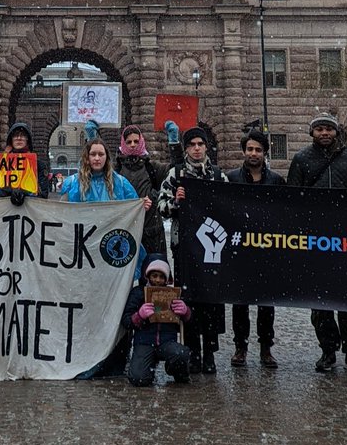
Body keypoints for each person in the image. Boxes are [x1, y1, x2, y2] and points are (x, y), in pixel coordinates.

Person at [286, 114, 347, 376]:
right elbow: (292, 200)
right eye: (320, 129)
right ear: (312, 133)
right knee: (320, 304)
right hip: (315, 242)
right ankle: (328, 351)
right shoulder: (301, 160)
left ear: (336, 132)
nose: (324, 133)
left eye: (329, 129)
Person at [60, 139, 144, 378]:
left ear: (107, 157)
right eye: (93, 154)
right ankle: (86, 355)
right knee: (89, 307)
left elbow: (133, 209)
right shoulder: (72, 184)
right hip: (86, 258)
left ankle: (114, 358)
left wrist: (142, 205)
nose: (97, 158)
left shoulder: (120, 183)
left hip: (111, 258)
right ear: (86, 157)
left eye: (101, 154)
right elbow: (60, 216)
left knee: (115, 308)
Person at [157, 126, 228, 374]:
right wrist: (176, 201)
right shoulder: (176, 174)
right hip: (185, 249)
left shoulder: (218, 176)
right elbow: (162, 206)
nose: (197, 148)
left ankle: (209, 352)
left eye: (201, 144)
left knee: (211, 303)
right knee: (188, 301)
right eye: (192, 144)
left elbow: (230, 210)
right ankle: (192, 352)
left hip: (211, 251)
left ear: (206, 147)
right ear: (186, 148)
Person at [226, 129, 284, 368]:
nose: (253, 153)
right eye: (250, 149)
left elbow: (285, 214)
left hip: (266, 249)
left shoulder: (276, 181)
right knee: (240, 303)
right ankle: (240, 347)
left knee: (266, 304)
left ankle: (266, 348)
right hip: (240, 249)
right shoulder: (230, 178)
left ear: (264, 153)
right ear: (244, 151)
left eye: (258, 150)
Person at [122, 256, 192, 386]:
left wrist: (185, 312)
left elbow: (188, 322)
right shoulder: (138, 293)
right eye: (154, 275)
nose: (158, 280)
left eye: (161, 276)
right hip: (144, 342)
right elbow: (126, 321)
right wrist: (139, 316)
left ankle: (175, 370)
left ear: (166, 278)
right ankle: (148, 368)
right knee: (139, 379)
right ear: (148, 276)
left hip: (167, 341)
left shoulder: (174, 294)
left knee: (181, 354)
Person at [114, 124, 174, 256]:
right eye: (129, 142)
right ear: (123, 144)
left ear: (141, 141)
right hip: (125, 231)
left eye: (136, 141)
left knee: (154, 273)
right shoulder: (116, 170)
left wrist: (174, 144)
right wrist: (91, 140)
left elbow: (176, 170)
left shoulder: (152, 168)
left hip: (152, 232)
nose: (133, 145)